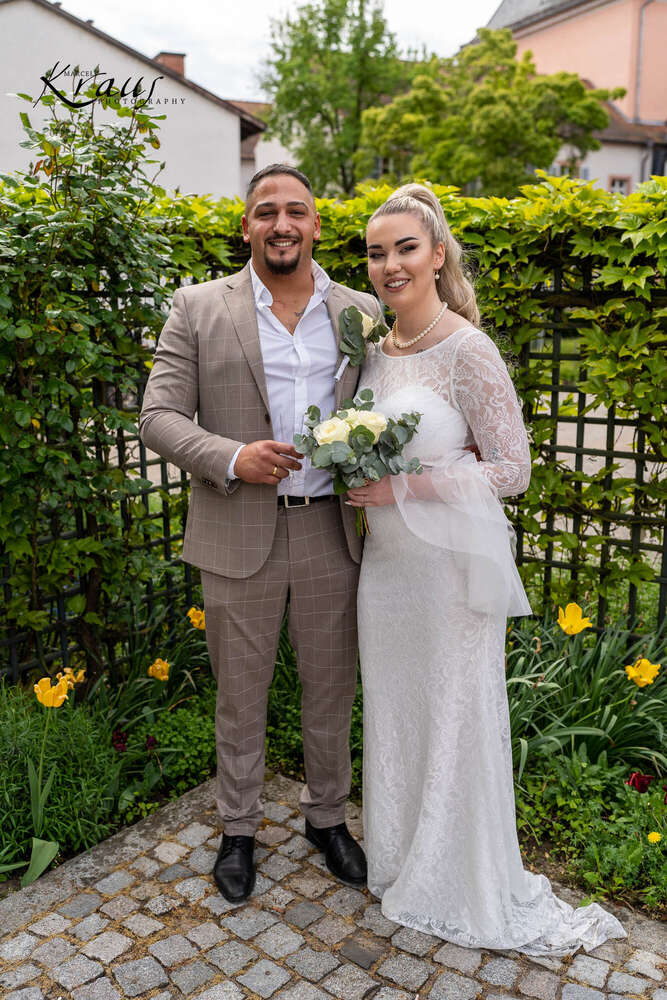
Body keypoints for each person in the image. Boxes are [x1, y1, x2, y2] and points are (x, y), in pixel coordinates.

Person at [346, 183, 627, 955]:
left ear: (438, 255)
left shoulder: (467, 348)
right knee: (399, 711)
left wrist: (402, 484)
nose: (390, 264)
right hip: (386, 570)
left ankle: (457, 874)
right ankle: (402, 857)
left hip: (445, 572)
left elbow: (512, 469)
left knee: (453, 713)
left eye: (405, 248)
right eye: (376, 252)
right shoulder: (372, 346)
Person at [139, 164, 382, 902]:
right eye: (266, 211)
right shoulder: (196, 306)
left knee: (331, 690)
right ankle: (238, 829)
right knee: (239, 694)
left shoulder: (360, 310)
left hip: (328, 533)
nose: (282, 224)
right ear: (244, 225)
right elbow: (157, 416)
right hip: (236, 530)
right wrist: (233, 457)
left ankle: (327, 818)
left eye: (296, 212)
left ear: (316, 225)